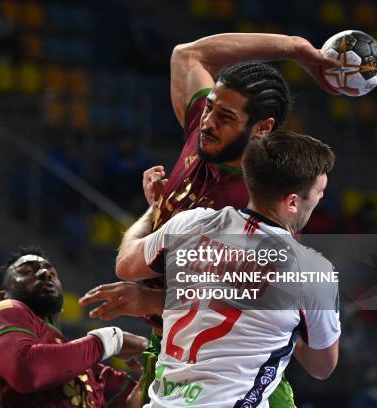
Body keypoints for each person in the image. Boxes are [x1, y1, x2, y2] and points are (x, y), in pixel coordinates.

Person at [80, 32, 340, 406]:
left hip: (243, 375)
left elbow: (239, 313)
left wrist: (151, 300)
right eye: (210, 108)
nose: (207, 121)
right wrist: (294, 48)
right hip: (176, 354)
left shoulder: (245, 207)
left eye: (225, 116)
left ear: (261, 129)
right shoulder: (208, 135)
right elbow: (188, 54)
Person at [115, 131, 341, 407]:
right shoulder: (310, 270)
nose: (320, 199)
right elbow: (322, 367)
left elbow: (125, 264)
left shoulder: (189, 224)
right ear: (293, 202)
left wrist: (154, 211)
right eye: (319, 192)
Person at [0, 246, 149, 407]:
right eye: (26, 271)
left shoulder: (89, 369)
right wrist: (111, 340)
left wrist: (155, 358)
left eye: (51, 271)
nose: (45, 273)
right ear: (2, 297)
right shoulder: (4, 311)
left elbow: (146, 400)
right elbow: (26, 371)